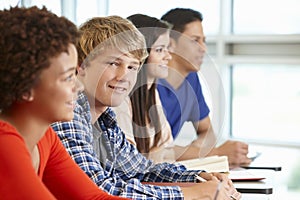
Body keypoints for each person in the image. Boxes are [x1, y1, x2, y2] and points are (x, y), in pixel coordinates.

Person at [51, 15, 241, 200]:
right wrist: (190, 194)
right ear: (81, 66)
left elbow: (143, 170)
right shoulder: (69, 113)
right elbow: (99, 190)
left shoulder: (105, 119)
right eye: (114, 63)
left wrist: (199, 177)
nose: (123, 76)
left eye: (132, 67)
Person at [0, 6, 125, 199]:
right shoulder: (4, 145)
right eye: (67, 78)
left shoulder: (44, 137)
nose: (79, 87)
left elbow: (94, 198)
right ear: (25, 88)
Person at [157, 8, 251, 165]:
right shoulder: (148, 81)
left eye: (204, 41)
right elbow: (154, 150)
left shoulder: (191, 78)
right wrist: (216, 153)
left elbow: (207, 133)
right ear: (170, 44)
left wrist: (197, 153)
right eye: (195, 40)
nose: (203, 48)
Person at [112, 14, 175, 163]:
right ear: (141, 55)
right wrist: (155, 156)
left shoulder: (153, 94)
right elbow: (130, 163)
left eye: (167, 49)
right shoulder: (121, 100)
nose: (168, 57)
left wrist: (155, 157)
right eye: (160, 50)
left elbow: (169, 153)